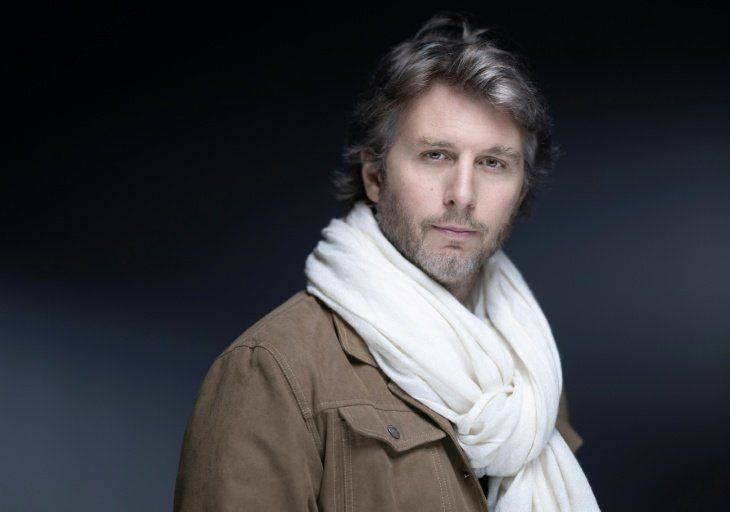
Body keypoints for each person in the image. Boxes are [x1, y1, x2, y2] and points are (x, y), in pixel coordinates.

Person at [173, 11, 601, 512]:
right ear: (375, 176)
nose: (463, 194)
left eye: (492, 163)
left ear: (521, 189)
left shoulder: (527, 370)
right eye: (436, 155)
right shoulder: (273, 372)